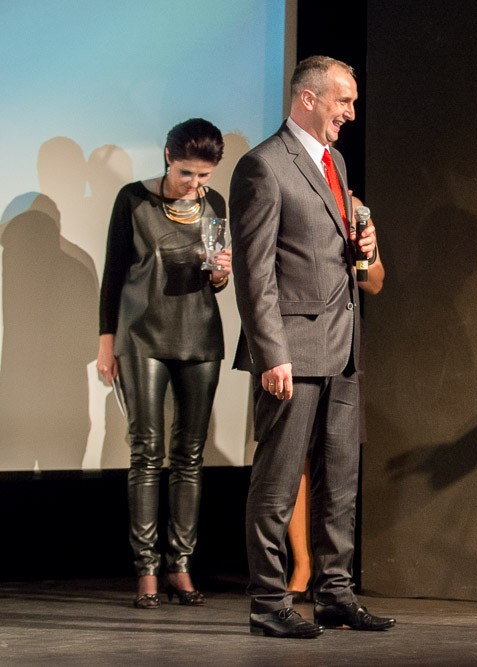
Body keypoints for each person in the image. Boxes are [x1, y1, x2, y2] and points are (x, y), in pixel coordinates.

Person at [230, 56, 394, 639]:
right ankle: (268, 602)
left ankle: (334, 595)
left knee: (339, 482)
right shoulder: (263, 166)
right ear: (308, 98)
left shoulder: (335, 162)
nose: (350, 112)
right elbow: (254, 273)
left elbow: (330, 255)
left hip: (343, 348)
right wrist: (271, 352)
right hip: (292, 351)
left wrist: (361, 247)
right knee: (278, 484)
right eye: (342, 101)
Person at [98, 118, 231, 609]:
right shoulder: (133, 200)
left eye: (203, 175)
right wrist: (106, 341)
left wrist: (222, 275)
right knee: (146, 452)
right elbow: (115, 271)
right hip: (141, 336)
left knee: (190, 455)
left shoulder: (215, 205)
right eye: (186, 172)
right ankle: (147, 570)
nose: (194, 183)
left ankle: (181, 565)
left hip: (199, 334)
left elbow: (216, 278)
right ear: (168, 158)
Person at [287, 195, 385, 602]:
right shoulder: (290, 194)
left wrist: (368, 251)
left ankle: (334, 582)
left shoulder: (353, 205)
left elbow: (374, 282)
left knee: (338, 462)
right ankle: (301, 565)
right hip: (298, 340)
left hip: (344, 345)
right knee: (294, 460)